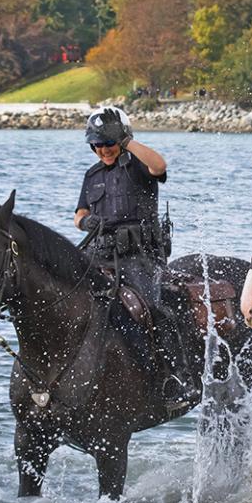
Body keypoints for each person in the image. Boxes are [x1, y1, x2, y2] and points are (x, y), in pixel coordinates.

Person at [75, 106, 200, 407]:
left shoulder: (138, 165)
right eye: (98, 144)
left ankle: (178, 378)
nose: (103, 149)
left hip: (141, 256)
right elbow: (79, 213)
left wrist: (127, 141)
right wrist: (85, 222)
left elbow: (160, 166)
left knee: (152, 308)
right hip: (100, 252)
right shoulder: (92, 176)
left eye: (109, 143)